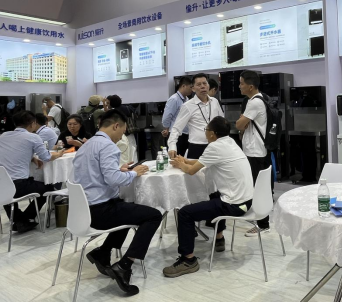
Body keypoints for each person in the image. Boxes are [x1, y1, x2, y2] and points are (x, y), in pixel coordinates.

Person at [73, 110, 162, 296]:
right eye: (123, 131)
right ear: (116, 126)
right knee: (153, 215)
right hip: (100, 212)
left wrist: (118, 169)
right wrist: (134, 173)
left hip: (82, 211)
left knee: (126, 206)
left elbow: (95, 173)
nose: (123, 135)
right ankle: (124, 265)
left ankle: (103, 252)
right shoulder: (108, 146)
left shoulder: (87, 145)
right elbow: (114, 180)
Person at [162, 117, 254, 278]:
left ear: (212, 133)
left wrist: (181, 164)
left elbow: (191, 171)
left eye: (206, 130)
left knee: (184, 213)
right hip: (246, 200)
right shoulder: (230, 142)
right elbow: (203, 162)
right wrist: (186, 161)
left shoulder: (214, 147)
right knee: (213, 194)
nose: (205, 132)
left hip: (233, 205)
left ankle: (188, 260)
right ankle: (219, 237)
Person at [0, 111, 64, 233]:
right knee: (47, 188)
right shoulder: (33, 137)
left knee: (6, 191)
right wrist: (59, 153)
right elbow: (46, 157)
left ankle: (17, 220)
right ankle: (24, 219)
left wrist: (32, 158)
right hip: (19, 186)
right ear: (32, 123)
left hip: (2, 184)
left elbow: (12, 153)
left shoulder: (3, 136)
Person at [236, 70, 272, 237]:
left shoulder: (254, 102)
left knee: (257, 188)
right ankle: (260, 219)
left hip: (255, 151)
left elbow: (239, 124)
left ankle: (263, 224)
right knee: (258, 186)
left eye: (242, 83)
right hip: (259, 150)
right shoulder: (262, 98)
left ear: (250, 86)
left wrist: (241, 121)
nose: (239, 86)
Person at [168, 73, 224, 160]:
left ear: (208, 85)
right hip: (197, 147)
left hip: (216, 145)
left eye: (204, 83)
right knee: (194, 169)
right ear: (193, 88)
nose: (202, 86)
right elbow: (176, 128)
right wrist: (172, 146)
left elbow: (222, 122)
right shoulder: (188, 106)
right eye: (199, 84)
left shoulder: (215, 102)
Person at [162, 77, 193, 156]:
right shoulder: (174, 99)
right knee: (176, 157)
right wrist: (167, 128)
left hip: (185, 134)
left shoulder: (187, 100)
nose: (192, 90)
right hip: (176, 135)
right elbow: (167, 117)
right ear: (183, 86)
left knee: (184, 158)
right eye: (190, 87)